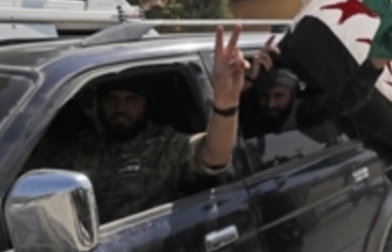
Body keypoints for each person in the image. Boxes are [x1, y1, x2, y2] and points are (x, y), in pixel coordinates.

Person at [26, 25, 249, 223]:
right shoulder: (84, 146)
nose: (120, 108)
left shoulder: (164, 147)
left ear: (146, 105)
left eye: (131, 100)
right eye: (112, 99)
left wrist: (226, 102)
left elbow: (215, 155)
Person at [239, 35, 391, 139]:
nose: (271, 104)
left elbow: (346, 99)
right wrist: (249, 81)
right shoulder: (251, 106)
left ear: (293, 94)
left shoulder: (304, 111)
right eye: (264, 97)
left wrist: (374, 65)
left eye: (279, 96)